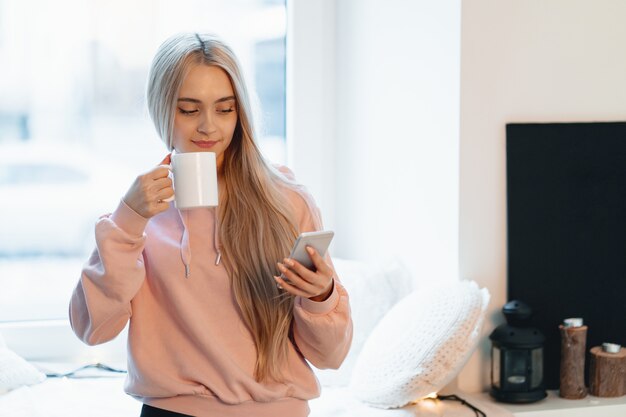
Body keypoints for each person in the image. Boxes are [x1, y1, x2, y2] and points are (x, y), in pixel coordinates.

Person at [69, 33, 352, 417]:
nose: (208, 127)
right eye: (189, 110)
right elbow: (93, 330)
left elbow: (330, 356)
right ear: (162, 110)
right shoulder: (139, 212)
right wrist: (127, 221)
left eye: (225, 109)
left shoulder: (287, 201)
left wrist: (322, 297)